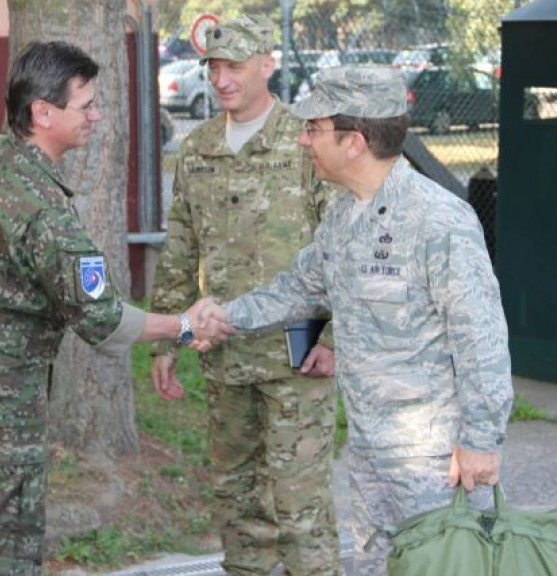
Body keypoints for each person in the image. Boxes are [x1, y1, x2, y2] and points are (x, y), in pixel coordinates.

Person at [200, 66, 514, 575]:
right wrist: (220, 316)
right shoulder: (344, 216)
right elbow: (297, 287)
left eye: (313, 128)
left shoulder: (438, 221)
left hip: (436, 465)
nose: (303, 140)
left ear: (354, 142)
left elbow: (481, 337)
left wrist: (482, 440)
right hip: (370, 454)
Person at [0, 41, 232, 573]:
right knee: (6, 555)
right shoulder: (44, 211)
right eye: (85, 105)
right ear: (42, 113)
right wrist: (185, 325)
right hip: (7, 414)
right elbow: (104, 320)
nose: (96, 116)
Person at [150, 15, 341, 576]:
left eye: (234, 66)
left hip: (298, 356)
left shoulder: (305, 141)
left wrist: (335, 339)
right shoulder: (199, 148)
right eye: (213, 68)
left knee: (300, 506)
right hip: (227, 355)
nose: (221, 80)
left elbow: (341, 248)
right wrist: (167, 341)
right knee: (237, 500)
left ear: (267, 65)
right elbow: (180, 248)